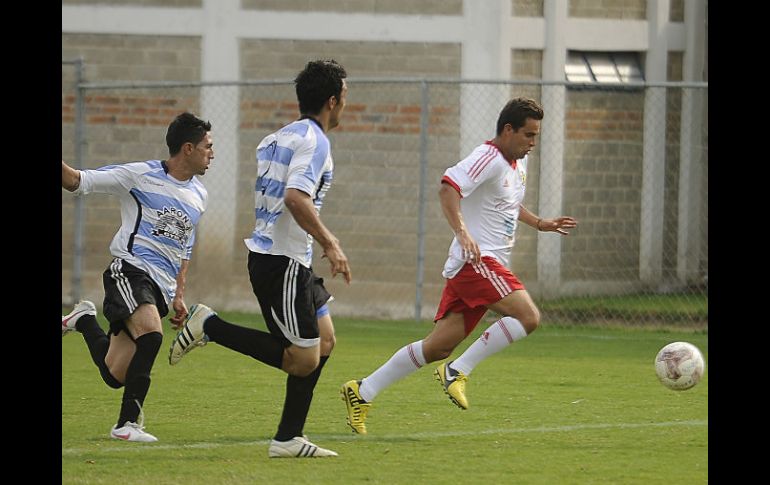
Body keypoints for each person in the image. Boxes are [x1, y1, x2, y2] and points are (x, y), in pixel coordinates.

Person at [341, 97, 577, 434]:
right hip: (478, 263)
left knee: (438, 346)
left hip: (477, 266)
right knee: (528, 317)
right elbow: (448, 188)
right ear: (508, 130)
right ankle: (457, 370)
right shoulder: (488, 157)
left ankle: (362, 391)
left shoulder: (516, 163)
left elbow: (509, 204)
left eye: (536, 136)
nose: (532, 143)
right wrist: (463, 233)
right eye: (528, 135)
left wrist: (540, 223)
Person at [168, 59, 350, 458]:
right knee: (302, 360)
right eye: (344, 96)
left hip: (291, 258)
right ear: (332, 100)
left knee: (325, 341)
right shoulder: (316, 141)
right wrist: (331, 242)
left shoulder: (277, 137)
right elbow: (295, 197)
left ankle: (288, 437)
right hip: (281, 262)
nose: (345, 105)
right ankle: (210, 325)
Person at [61, 112, 214, 442]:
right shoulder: (138, 175)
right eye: (207, 147)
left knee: (115, 374)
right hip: (129, 271)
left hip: (160, 288)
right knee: (152, 335)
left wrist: (178, 293)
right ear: (188, 148)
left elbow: (185, 244)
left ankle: (83, 319)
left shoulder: (199, 195)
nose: (211, 154)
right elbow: (76, 181)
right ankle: (127, 425)